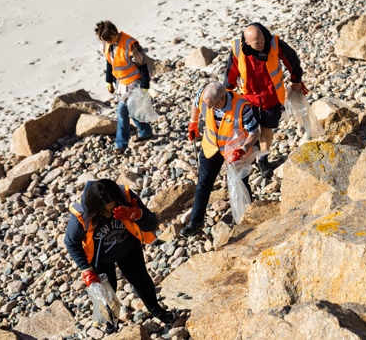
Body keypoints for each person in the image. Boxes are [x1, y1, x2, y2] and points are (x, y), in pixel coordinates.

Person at [64, 179, 174, 327]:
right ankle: (111, 326)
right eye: (105, 211)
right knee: (108, 293)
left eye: (112, 209)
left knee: (141, 281)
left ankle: (157, 311)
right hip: (99, 257)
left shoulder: (125, 196)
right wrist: (86, 269)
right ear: (96, 208)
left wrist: (137, 215)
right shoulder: (82, 214)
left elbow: (152, 224)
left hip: (128, 246)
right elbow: (71, 242)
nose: (109, 215)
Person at [224, 23, 306, 178]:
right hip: (249, 97)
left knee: (267, 129)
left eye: (262, 39)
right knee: (250, 130)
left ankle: (263, 159)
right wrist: (227, 93)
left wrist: (297, 80)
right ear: (247, 42)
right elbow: (230, 73)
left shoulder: (274, 43)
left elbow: (293, 60)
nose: (262, 44)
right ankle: (249, 154)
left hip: (272, 95)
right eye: (257, 43)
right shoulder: (237, 50)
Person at [181, 82, 261, 237]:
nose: (208, 109)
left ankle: (247, 218)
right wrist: (193, 122)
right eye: (207, 105)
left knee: (240, 183)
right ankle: (195, 223)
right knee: (203, 183)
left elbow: (254, 132)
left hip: (234, 150)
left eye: (212, 106)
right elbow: (196, 103)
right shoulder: (205, 96)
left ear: (222, 100)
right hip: (211, 147)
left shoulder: (242, 107)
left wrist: (243, 149)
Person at [95, 21, 153, 155]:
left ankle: (120, 145)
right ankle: (146, 132)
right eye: (105, 40)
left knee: (122, 111)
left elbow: (142, 66)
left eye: (109, 39)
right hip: (121, 82)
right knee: (133, 109)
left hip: (135, 81)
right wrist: (108, 80)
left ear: (115, 33)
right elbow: (110, 61)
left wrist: (144, 87)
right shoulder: (107, 43)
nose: (107, 42)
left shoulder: (130, 45)